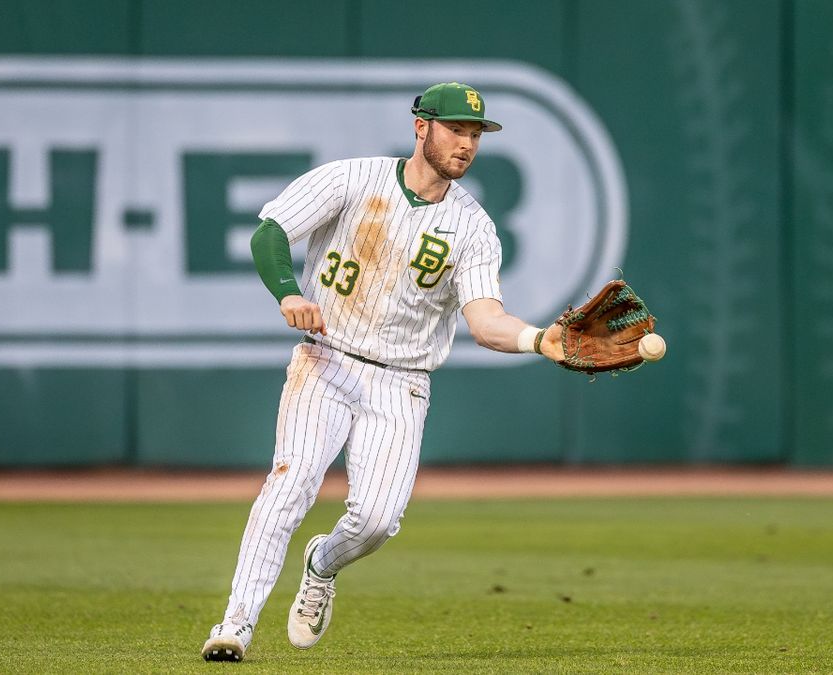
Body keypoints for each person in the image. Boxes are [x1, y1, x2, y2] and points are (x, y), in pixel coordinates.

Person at [201, 82, 565, 662]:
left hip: (402, 380)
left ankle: (321, 564)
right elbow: (270, 231)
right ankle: (234, 627)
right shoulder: (352, 179)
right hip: (325, 360)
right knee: (288, 487)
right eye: (456, 129)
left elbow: (485, 319)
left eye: (475, 133)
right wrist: (288, 293)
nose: (466, 143)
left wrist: (539, 340)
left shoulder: (473, 229)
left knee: (376, 520)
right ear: (421, 127)